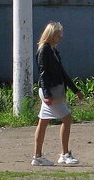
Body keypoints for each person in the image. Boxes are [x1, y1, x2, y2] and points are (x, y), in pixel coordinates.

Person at [32, 21, 84, 166]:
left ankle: (38, 156)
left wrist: (76, 90)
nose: (60, 37)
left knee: (43, 122)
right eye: (58, 34)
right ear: (51, 35)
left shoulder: (52, 50)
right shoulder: (45, 50)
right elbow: (43, 74)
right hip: (51, 92)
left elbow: (62, 73)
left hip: (52, 91)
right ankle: (65, 154)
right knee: (67, 119)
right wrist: (48, 95)